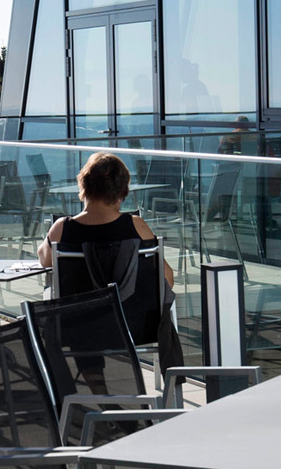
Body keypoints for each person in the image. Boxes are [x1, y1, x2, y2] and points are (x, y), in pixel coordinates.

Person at [38, 151, 184, 367]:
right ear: (122, 191)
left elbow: (44, 260)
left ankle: (97, 388)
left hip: (78, 330)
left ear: (84, 185)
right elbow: (167, 279)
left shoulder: (63, 229)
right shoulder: (137, 226)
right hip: (136, 327)